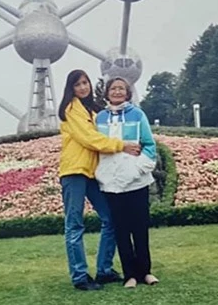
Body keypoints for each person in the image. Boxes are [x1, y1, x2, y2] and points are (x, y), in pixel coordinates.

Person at [58, 69, 142, 291]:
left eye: (85, 83)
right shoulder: (70, 110)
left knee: (111, 218)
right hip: (74, 171)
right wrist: (121, 145)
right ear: (71, 88)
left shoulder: (94, 111)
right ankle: (80, 276)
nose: (83, 87)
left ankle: (104, 270)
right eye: (78, 84)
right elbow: (90, 139)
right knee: (74, 224)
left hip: (93, 173)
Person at [95, 76, 160, 288]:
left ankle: (146, 272)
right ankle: (130, 275)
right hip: (111, 183)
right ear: (107, 92)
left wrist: (139, 167)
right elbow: (96, 145)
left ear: (128, 92)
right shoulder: (100, 118)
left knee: (140, 228)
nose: (117, 92)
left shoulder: (137, 114)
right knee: (121, 230)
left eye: (121, 88)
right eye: (113, 88)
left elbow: (149, 145)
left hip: (137, 181)